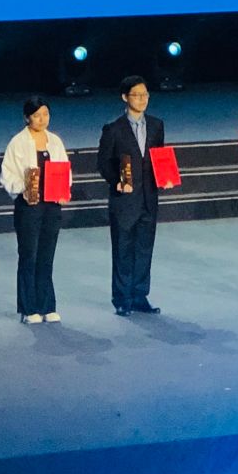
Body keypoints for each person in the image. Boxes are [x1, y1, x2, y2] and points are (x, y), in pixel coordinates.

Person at [96, 74, 165, 316]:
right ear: (125, 97)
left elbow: (159, 157)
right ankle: (122, 298)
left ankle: (139, 296)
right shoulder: (114, 129)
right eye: (137, 95)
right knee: (123, 249)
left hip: (149, 197)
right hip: (124, 200)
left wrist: (164, 176)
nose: (142, 99)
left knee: (145, 248)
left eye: (145, 95)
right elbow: (103, 163)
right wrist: (116, 181)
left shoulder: (156, 125)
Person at [0, 95, 71, 322]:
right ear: (27, 118)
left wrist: (64, 190)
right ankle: (28, 308)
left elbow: (65, 170)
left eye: (46, 114)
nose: (42, 119)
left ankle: (47, 305)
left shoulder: (55, 141)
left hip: (52, 205)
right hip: (28, 206)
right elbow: (7, 175)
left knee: (47, 256)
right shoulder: (18, 142)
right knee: (29, 255)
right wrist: (23, 189)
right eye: (37, 115)